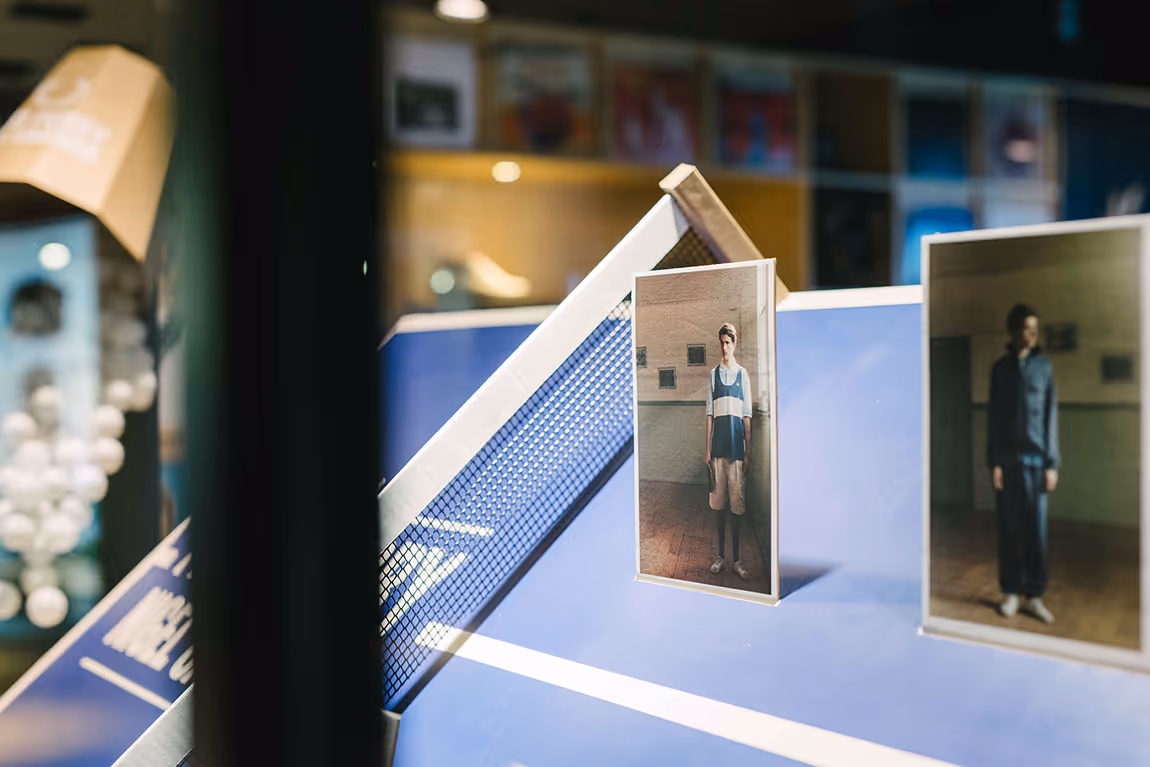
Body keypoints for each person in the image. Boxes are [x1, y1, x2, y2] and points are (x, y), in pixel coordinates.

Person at [987, 303, 1059, 624]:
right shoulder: (1000, 369)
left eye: (1034, 329)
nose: (1030, 335)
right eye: (1025, 329)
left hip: (1036, 462)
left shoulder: (1044, 369)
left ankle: (1036, 596)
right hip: (1008, 463)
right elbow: (994, 420)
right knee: (1009, 530)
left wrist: (1052, 464)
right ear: (1013, 331)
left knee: (1036, 533)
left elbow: (1050, 418)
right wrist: (995, 463)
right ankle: (1011, 593)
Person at [704, 322, 753, 581]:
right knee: (718, 507)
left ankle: (737, 560)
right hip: (718, 452)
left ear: (734, 344)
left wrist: (748, 451)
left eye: (728, 342)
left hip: (736, 453)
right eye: (721, 342)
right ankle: (720, 557)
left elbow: (746, 415)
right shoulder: (712, 375)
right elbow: (709, 415)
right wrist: (706, 451)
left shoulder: (743, 375)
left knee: (737, 508)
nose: (724, 347)